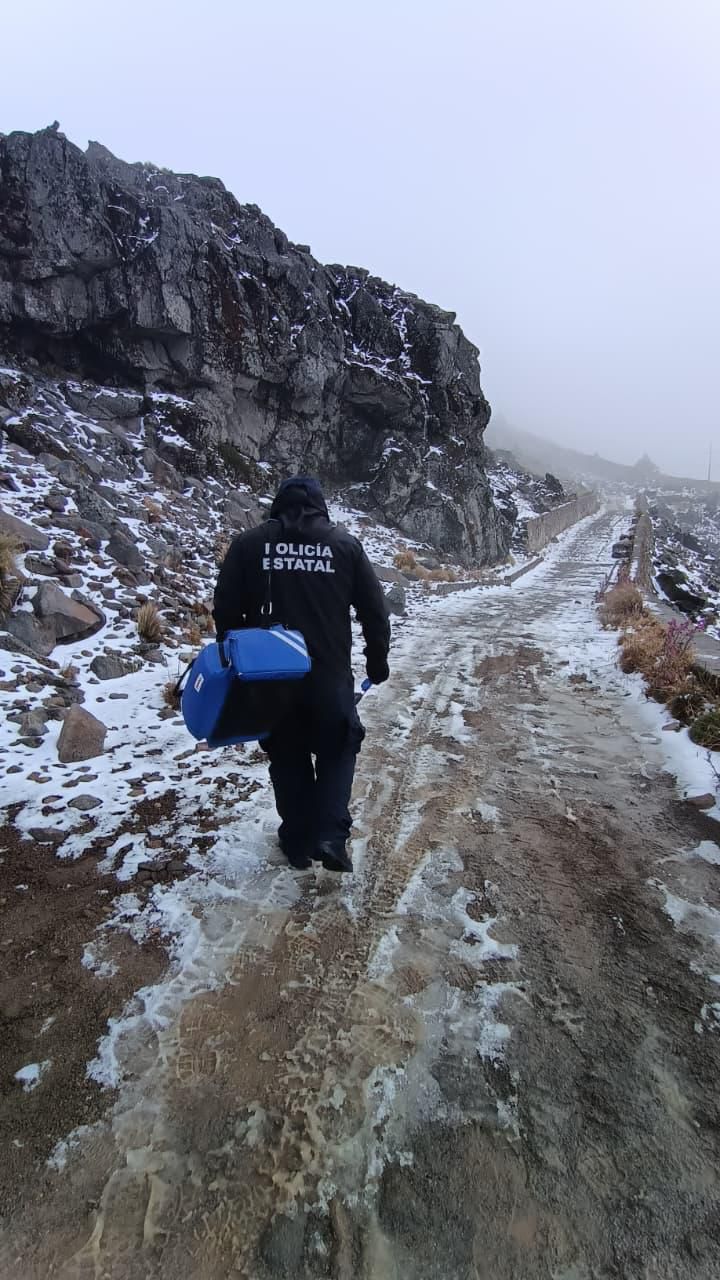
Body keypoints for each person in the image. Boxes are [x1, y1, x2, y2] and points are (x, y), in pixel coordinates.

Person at [213, 475, 390, 873]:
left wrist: (236, 664)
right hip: (329, 676)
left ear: (278, 504)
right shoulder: (344, 545)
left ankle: (296, 841)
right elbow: (375, 611)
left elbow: (225, 611)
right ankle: (330, 835)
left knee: (286, 754)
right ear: (320, 507)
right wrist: (377, 662)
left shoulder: (249, 544)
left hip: (269, 679)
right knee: (338, 746)